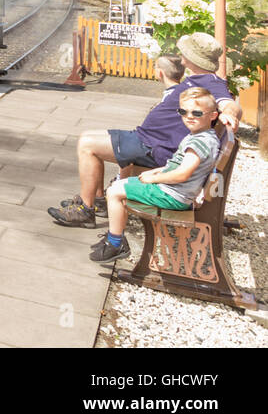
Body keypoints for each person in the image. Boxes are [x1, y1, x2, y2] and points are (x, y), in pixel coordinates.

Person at [48, 33, 241, 229]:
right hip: (148, 139)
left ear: (192, 57)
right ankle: (97, 202)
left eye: (185, 51)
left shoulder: (211, 83)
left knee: (87, 145)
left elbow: (230, 104)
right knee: (87, 137)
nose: (181, 53)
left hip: (155, 147)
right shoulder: (199, 78)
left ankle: (85, 211)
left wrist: (230, 113)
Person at [89, 86, 224, 262]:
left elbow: (182, 174)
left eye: (197, 113)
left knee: (114, 192)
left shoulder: (198, 144)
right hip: (176, 191)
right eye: (184, 112)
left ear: (213, 115)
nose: (189, 117)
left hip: (173, 195)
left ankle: (115, 243)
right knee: (121, 185)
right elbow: (177, 164)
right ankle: (113, 238)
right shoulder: (204, 137)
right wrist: (157, 170)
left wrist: (154, 178)